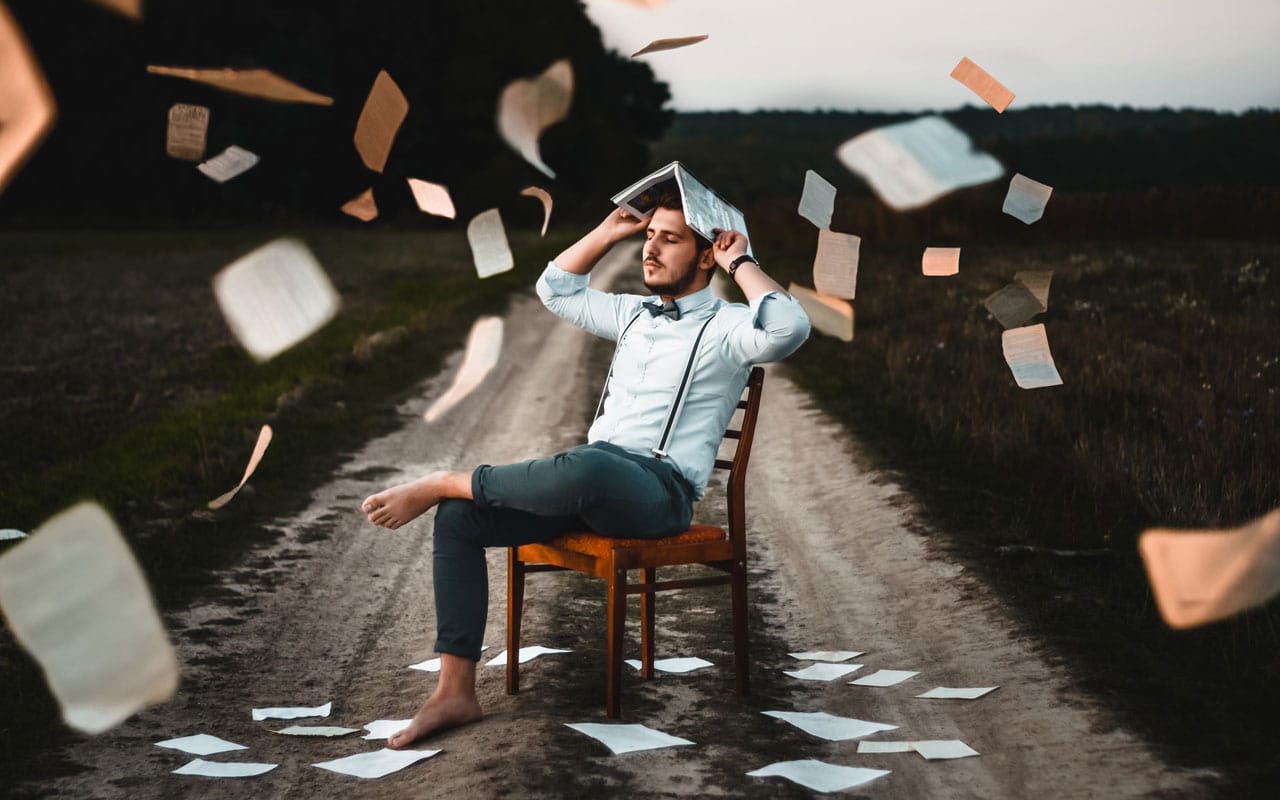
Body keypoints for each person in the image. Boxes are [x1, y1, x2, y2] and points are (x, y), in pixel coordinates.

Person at [361, 191, 810, 747]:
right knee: (460, 519)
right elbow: (554, 289)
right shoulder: (631, 313)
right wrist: (608, 231)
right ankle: (455, 693)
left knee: (587, 466)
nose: (651, 249)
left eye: (669, 240)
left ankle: (448, 480)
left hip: (657, 495)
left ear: (705, 256)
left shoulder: (730, 327)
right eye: (650, 236)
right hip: (590, 485)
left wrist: (741, 262)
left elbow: (789, 329)